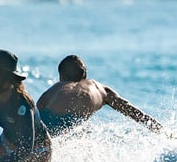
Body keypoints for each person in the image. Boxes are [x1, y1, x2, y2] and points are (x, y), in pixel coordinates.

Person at [35, 55, 163, 134]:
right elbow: (133, 112)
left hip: (47, 127)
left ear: (61, 76)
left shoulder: (55, 90)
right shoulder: (100, 89)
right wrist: (161, 130)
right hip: (71, 129)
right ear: (85, 75)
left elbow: (32, 118)